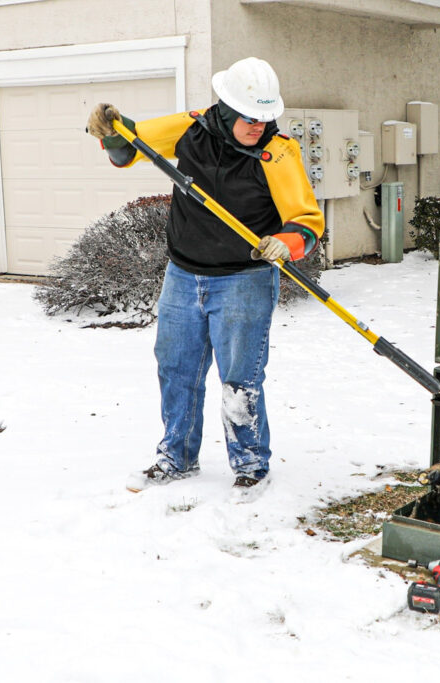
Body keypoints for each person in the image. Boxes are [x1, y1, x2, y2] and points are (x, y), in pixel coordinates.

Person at [86, 57, 324, 501]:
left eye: (267, 118)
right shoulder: (192, 127)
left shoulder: (279, 152)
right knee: (176, 368)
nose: (260, 126)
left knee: (240, 378)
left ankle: (251, 464)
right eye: (250, 118)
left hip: (244, 279)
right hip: (183, 273)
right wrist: (110, 129)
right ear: (227, 110)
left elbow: (307, 220)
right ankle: (176, 457)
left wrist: (285, 241)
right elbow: (132, 143)